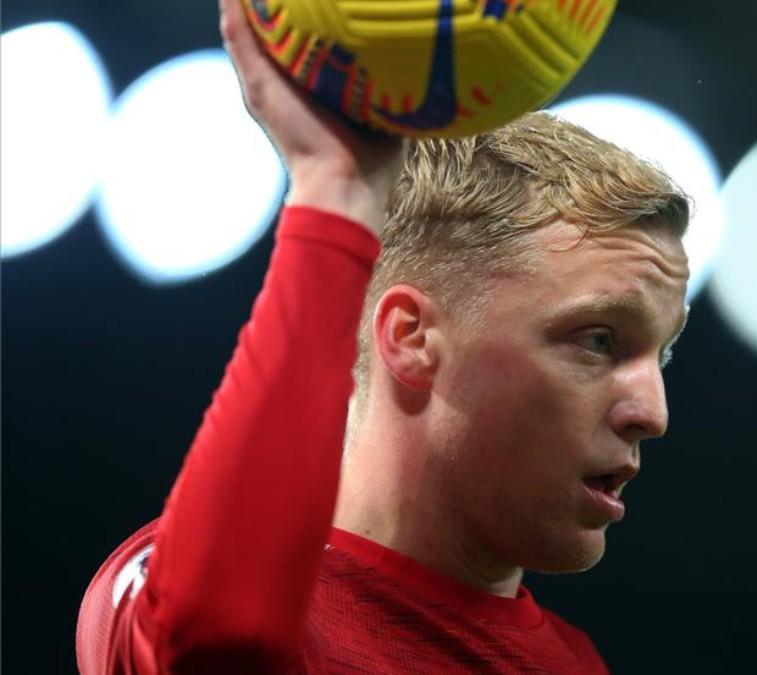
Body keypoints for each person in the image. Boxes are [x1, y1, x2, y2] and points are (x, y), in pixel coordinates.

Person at [76, 0, 691, 672]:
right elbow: (214, 636)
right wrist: (335, 192)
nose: (653, 413)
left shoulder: (575, 662)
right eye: (598, 340)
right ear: (410, 338)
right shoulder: (169, 583)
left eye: (661, 354)